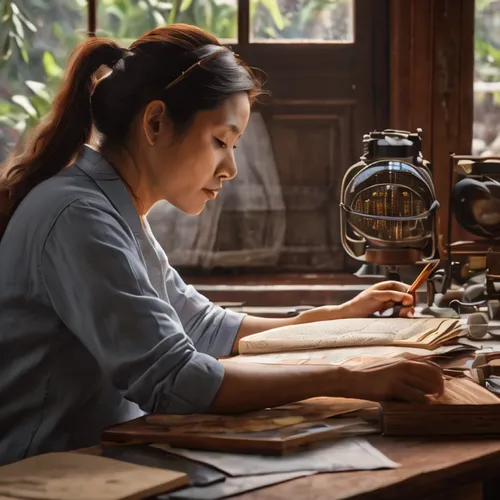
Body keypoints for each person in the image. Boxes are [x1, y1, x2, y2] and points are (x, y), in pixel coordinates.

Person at [0, 24, 443, 465]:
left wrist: (332, 318)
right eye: (220, 141)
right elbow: (174, 380)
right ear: (155, 122)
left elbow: (202, 326)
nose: (230, 168)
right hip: (44, 477)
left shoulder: (111, 206)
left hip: (98, 466)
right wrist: (352, 378)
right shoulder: (80, 216)